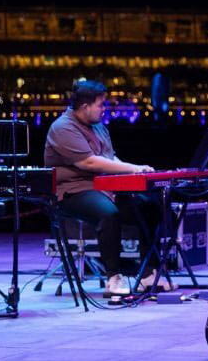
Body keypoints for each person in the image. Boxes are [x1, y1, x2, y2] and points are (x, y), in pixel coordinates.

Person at [44, 79, 169, 296]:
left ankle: (148, 274)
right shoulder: (63, 128)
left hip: (104, 187)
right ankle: (113, 278)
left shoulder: (98, 126)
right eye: (101, 105)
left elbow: (110, 159)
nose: (104, 109)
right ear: (85, 107)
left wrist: (136, 171)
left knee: (149, 207)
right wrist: (133, 168)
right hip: (73, 191)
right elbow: (89, 163)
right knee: (108, 213)